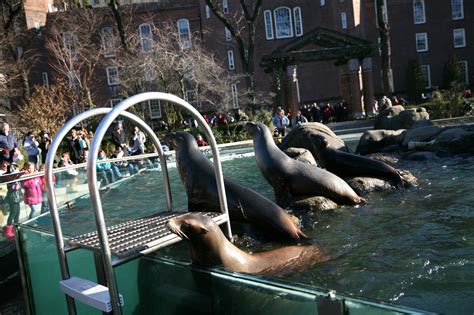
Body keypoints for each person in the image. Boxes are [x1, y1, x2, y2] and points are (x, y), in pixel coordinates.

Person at [3, 164, 23, 238]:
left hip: (17, 197)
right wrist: (15, 185)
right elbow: (11, 188)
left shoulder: (16, 177)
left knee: (17, 214)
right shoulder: (10, 178)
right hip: (12, 198)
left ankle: (16, 228)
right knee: (13, 214)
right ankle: (8, 230)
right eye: (15, 169)